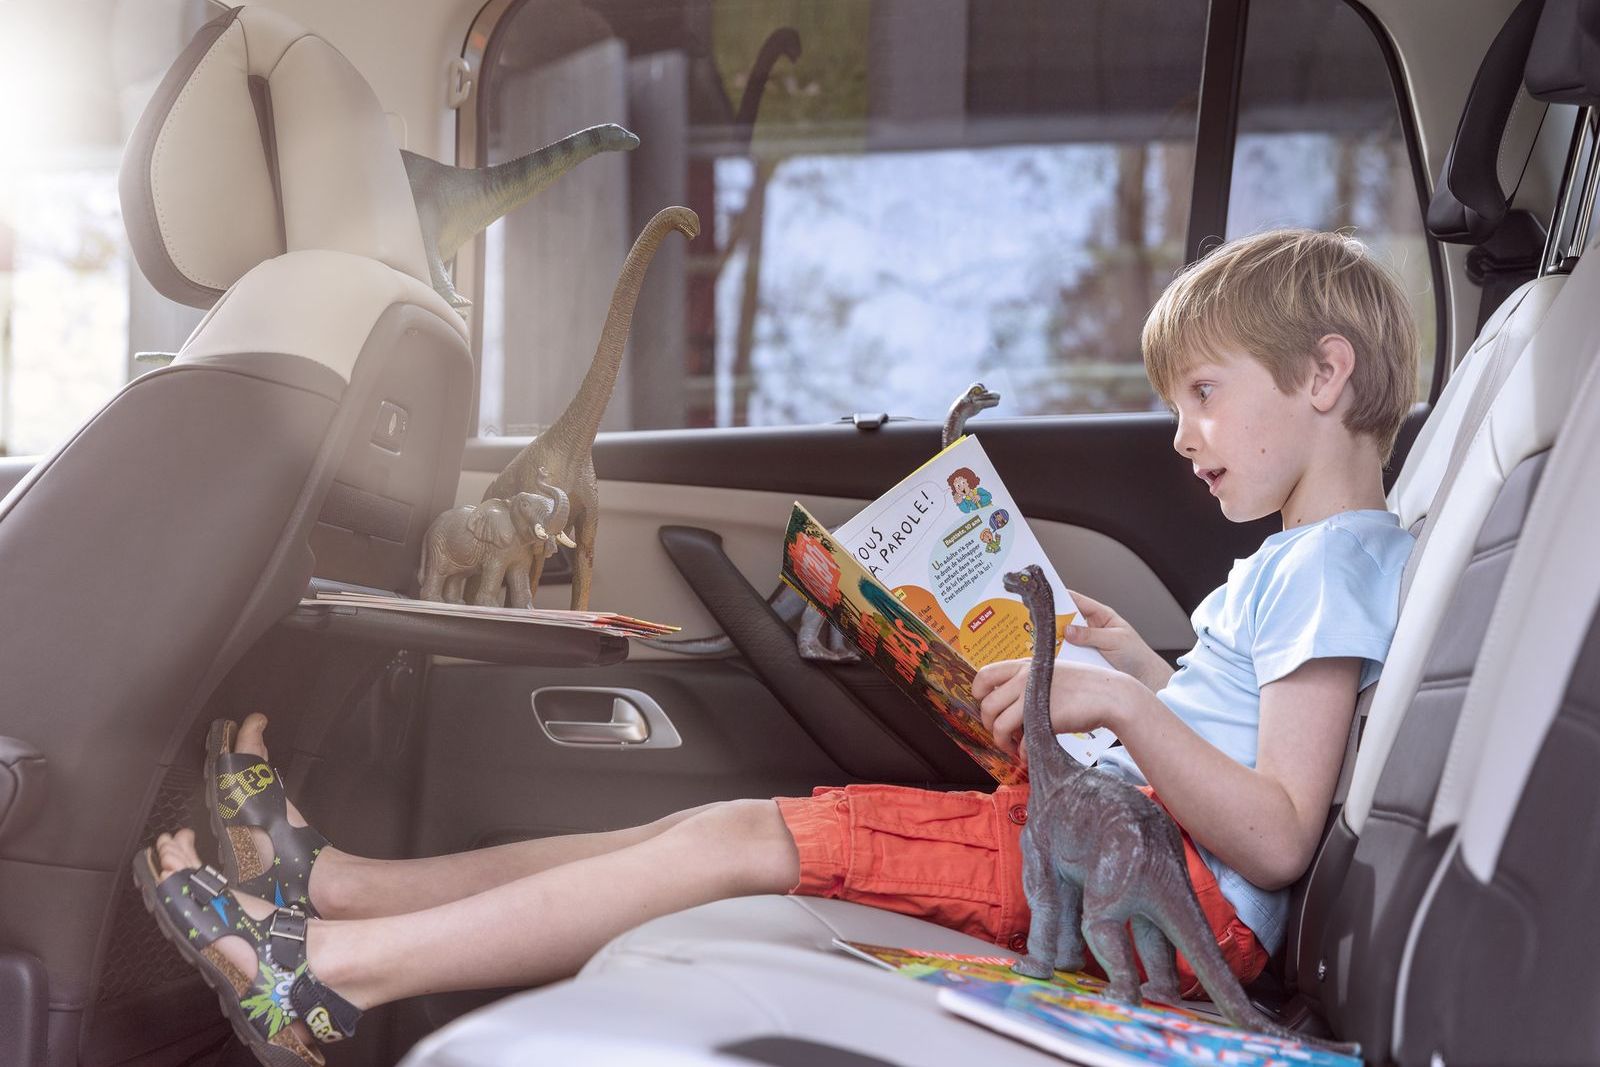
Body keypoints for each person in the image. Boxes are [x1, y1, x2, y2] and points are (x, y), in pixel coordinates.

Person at [136, 228, 1419, 1064]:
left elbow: (1274, 833)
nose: (1183, 435)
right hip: (1117, 862)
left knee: (732, 840)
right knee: (706, 829)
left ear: (1322, 374)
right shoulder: (1315, 557)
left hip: (1153, 904)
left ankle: (335, 973)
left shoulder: (1327, 560)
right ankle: (347, 888)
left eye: (1204, 394)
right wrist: (1145, 669)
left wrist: (1125, 710)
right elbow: (1246, 737)